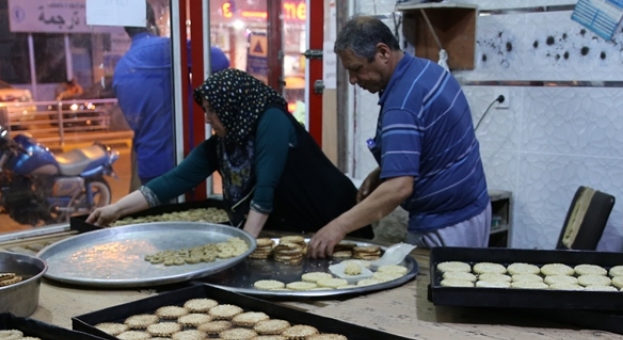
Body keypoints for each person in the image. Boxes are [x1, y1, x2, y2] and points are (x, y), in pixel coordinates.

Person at [89, 69, 363, 239]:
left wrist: (243, 247)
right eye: (205, 109)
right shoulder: (224, 143)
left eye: (212, 109)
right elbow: (173, 181)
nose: (207, 118)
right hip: (293, 228)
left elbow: (265, 189)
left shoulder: (272, 121)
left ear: (232, 105)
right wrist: (115, 210)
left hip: (331, 218)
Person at [308, 16, 491, 258]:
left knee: (436, 293)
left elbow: (399, 187)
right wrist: (383, 171)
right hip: (473, 208)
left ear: (383, 52)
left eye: (356, 69)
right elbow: (429, 143)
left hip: (446, 225)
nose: (353, 80)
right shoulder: (426, 71)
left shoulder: (401, 103)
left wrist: (337, 227)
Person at [113, 2, 230, 186]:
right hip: (180, 165)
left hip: (147, 167)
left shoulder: (121, 67)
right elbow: (218, 59)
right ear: (152, 22)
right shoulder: (163, 49)